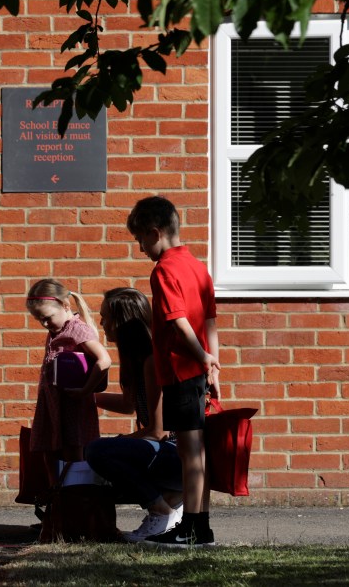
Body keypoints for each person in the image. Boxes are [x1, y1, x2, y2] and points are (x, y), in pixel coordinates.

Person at [126, 195, 220, 547]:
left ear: (155, 232)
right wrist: (213, 365)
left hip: (181, 371)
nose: (140, 249)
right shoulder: (198, 266)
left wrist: (201, 359)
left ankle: (193, 528)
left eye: (140, 240)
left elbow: (179, 322)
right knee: (198, 450)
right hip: (197, 371)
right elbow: (210, 322)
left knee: (189, 451)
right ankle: (200, 525)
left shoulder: (164, 270)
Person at [84, 287, 183, 542]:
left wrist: (121, 441)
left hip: (175, 454)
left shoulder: (152, 359)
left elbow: (159, 431)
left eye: (105, 317)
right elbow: (129, 404)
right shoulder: (133, 358)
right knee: (101, 455)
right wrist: (85, 398)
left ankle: (162, 510)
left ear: (122, 319)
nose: (102, 323)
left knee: (98, 452)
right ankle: (170, 500)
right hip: (160, 453)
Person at [26, 279, 112, 486]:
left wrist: (85, 391)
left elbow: (104, 360)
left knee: (74, 453)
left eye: (47, 318)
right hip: (53, 404)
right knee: (49, 450)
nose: (44, 324)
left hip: (73, 405)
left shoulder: (78, 329)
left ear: (65, 305)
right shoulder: (56, 330)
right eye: (39, 320)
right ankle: (57, 505)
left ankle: (76, 502)